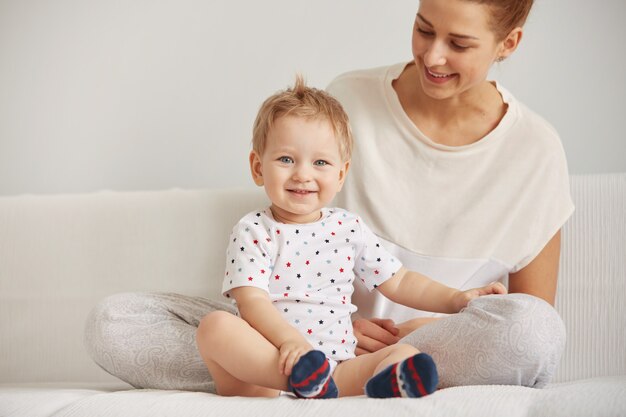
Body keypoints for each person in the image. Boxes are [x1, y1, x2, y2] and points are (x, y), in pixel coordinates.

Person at [84, 0, 572, 391]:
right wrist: (330, 328)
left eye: (459, 43)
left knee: (532, 331)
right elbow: (258, 292)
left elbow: (528, 316)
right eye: (424, 29)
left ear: (508, 42)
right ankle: (310, 371)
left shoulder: (537, 150)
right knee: (116, 323)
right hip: (288, 331)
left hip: (436, 336)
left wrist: (440, 318)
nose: (432, 55)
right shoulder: (349, 101)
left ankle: (354, 369)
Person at [195, 77, 507, 399]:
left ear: (341, 174)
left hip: (338, 372)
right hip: (266, 372)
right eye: (286, 159)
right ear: (258, 167)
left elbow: (399, 281)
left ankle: (393, 379)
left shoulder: (348, 228)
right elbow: (252, 301)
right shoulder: (255, 229)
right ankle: (301, 379)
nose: (303, 173)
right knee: (214, 327)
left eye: (320, 162)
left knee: (404, 354)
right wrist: (291, 343)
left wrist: (456, 299)